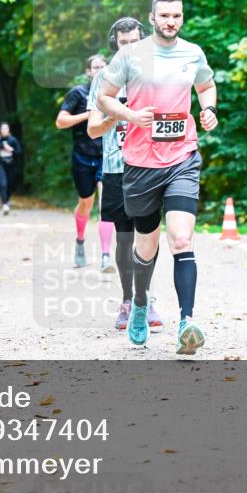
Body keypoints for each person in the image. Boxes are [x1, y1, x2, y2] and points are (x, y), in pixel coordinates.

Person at [95, 0, 218, 355]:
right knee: (145, 245)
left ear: (182, 17)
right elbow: (104, 96)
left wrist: (208, 109)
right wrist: (130, 115)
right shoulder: (130, 55)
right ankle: (139, 304)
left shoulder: (193, 53)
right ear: (152, 18)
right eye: (164, 16)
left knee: (181, 238)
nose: (171, 22)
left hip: (182, 156)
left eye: (176, 16)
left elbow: (206, 85)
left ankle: (187, 322)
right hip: (140, 162)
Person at [87, 17, 165, 333]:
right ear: (115, 45)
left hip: (148, 165)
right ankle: (128, 299)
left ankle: (145, 297)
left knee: (147, 235)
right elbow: (93, 129)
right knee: (124, 238)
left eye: (135, 42)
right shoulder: (104, 79)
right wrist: (118, 115)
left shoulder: (156, 75)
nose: (130, 48)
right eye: (124, 43)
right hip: (116, 168)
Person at [56, 56, 111, 271]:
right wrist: (88, 115)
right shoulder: (78, 93)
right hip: (82, 157)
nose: (99, 70)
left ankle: (106, 255)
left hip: (106, 156)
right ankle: (80, 240)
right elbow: (60, 122)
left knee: (105, 205)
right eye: (95, 67)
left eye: (103, 66)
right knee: (86, 204)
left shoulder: (113, 94)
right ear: (89, 72)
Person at [0, 122, 22, 215]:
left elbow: (19, 152)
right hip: (1, 164)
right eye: (2, 129)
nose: (4, 131)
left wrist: (11, 149)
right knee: (3, 184)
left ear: (8, 130)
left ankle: (7, 200)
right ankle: (4, 204)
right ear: (0, 131)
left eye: (6, 129)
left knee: (9, 184)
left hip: (11, 164)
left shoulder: (13, 140)